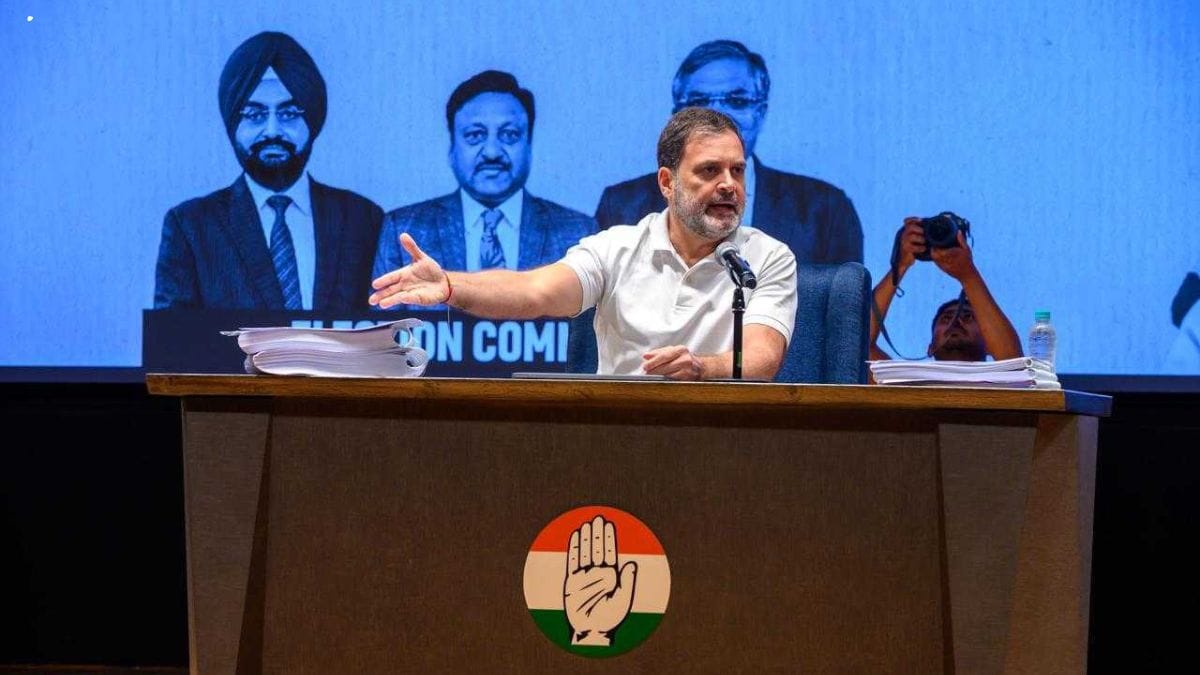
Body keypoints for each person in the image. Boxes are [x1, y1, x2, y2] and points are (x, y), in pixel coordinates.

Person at [370, 108, 797, 380]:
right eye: (709, 171)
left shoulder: (765, 258)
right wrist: (450, 285)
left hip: (724, 439)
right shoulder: (618, 249)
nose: (728, 185)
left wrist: (701, 367)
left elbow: (760, 359)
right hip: (621, 437)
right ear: (667, 183)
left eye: (737, 172)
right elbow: (534, 291)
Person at [154, 31, 382, 311]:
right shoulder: (191, 226)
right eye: (254, 115)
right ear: (233, 124)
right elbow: (169, 342)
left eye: (289, 114)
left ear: (312, 120)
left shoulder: (361, 218)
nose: (272, 131)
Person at [593, 39, 862, 265]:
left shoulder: (824, 210)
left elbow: (846, 321)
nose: (718, 113)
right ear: (676, 116)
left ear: (761, 112)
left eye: (737, 100)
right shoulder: (623, 206)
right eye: (699, 101)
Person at [371, 70, 596, 291]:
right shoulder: (405, 229)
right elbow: (388, 326)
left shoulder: (577, 233)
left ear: (529, 147)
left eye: (510, 135)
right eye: (475, 135)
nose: (491, 152)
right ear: (452, 149)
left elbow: (590, 325)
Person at [870, 217, 1022, 362]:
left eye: (968, 317)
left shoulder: (1006, 385)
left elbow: (1012, 362)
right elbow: (857, 345)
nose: (956, 322)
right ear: (930, 348)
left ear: (989, 342)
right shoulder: (902, 386)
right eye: (946, 318)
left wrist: (968, 275)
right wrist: (901, 265)